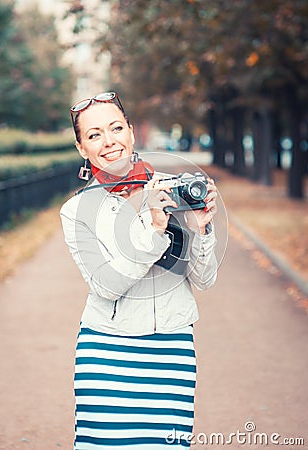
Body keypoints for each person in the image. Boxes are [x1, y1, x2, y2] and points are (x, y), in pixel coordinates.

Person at [60, 92, 218, 450]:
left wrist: (201, 227)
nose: (109, 141)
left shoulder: (173, 190)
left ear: (131, 131)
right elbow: (107, 285)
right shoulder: (76, 211)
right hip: (107, 351)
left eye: (116, 128)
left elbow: (204, 279)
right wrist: (153, 229)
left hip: (172, 347)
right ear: (81, 147)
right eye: (94, 134)